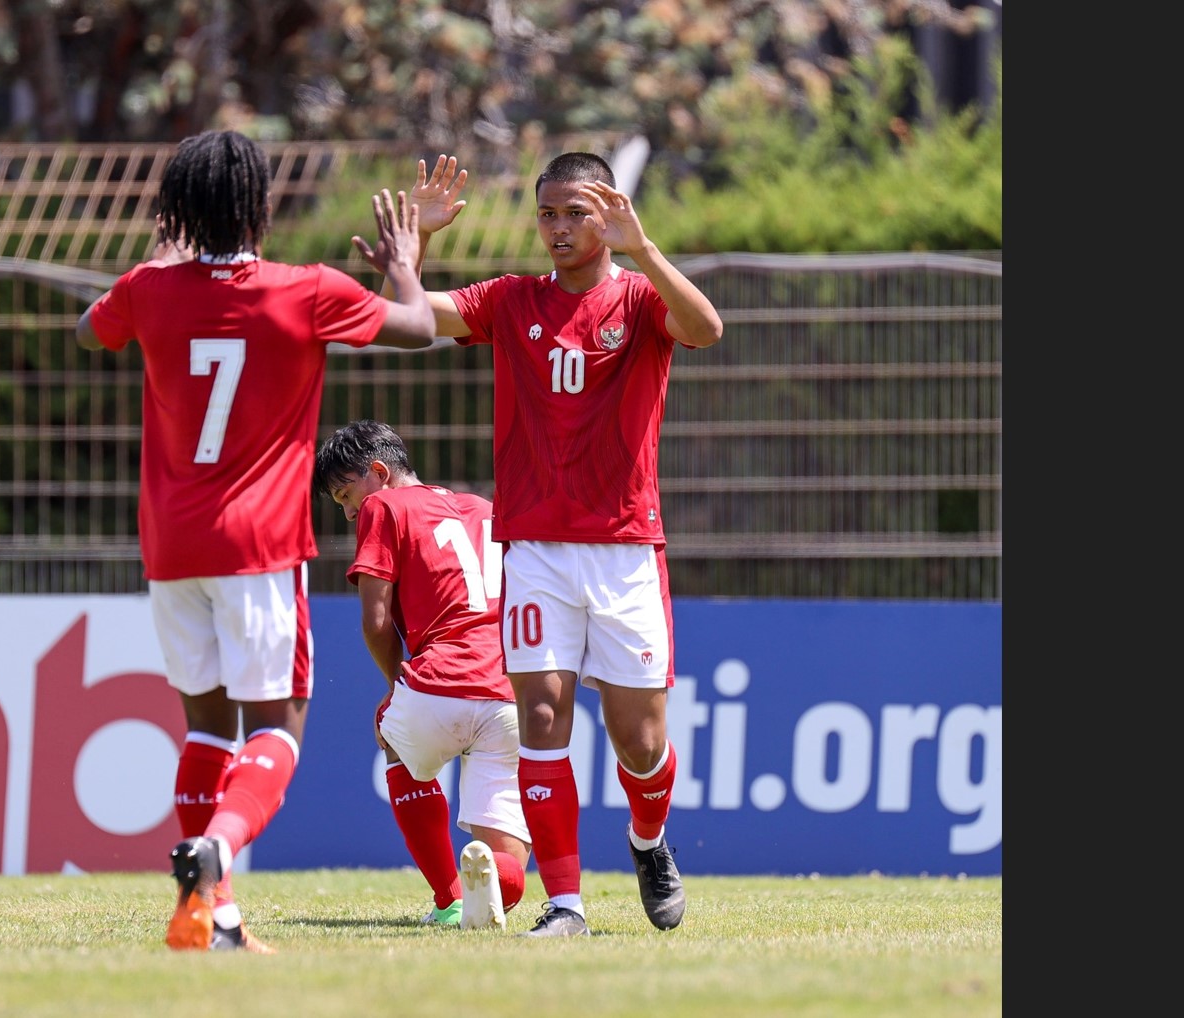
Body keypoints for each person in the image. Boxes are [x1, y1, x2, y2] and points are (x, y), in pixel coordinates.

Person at [75, 130, 437, 953]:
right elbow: (418, 328)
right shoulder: (303, 289)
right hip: (259, 549)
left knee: (206, 727)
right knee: (278, 724)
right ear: (260, 208)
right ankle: (219, 851)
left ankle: (210, 913)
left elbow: (87, 333)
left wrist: (158, 263)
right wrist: (405, 260)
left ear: (180, 211)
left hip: (172, 548)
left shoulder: (148, 290)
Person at [402, 152, 725, 936]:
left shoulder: (642, 299)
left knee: (639, 741)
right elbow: (410, 320)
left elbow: (709, 330)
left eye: (575, 212)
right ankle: (567, 903)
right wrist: (411, 244)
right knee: (541, 716)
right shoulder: (511, 301)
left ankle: (648, 842)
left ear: (608, 212)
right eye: (547, 214)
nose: (557, 228)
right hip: (536, 548)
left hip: (624, 549)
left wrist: (646, 248)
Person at [312, 419, 530, 932]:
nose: (348, 512)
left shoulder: (383, 506)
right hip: (508, 692)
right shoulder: (482, 508)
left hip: (440, 679)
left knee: (391, 732)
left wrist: (396, 684)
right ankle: (493, 882)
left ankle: (450, 898)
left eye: (347, 495)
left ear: (380, 473)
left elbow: (375, 620)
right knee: (511, 865)